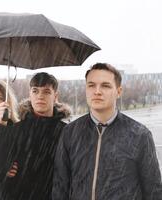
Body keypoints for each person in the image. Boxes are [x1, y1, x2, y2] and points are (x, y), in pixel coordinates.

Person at [52, 63, 162, 199]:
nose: (97, 91)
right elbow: (60, 186)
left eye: (105, 85)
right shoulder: (70, 132)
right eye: (91, 85)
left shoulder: (140, 135)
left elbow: (153, 190)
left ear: (119, 92)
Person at [0, 72, 71, 200]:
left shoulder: (66, 132)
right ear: (30, 94)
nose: (40, 96)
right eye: (35, 91)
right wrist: (1, 124)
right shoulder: (17, 129)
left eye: (46, 92)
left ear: (55, 96)